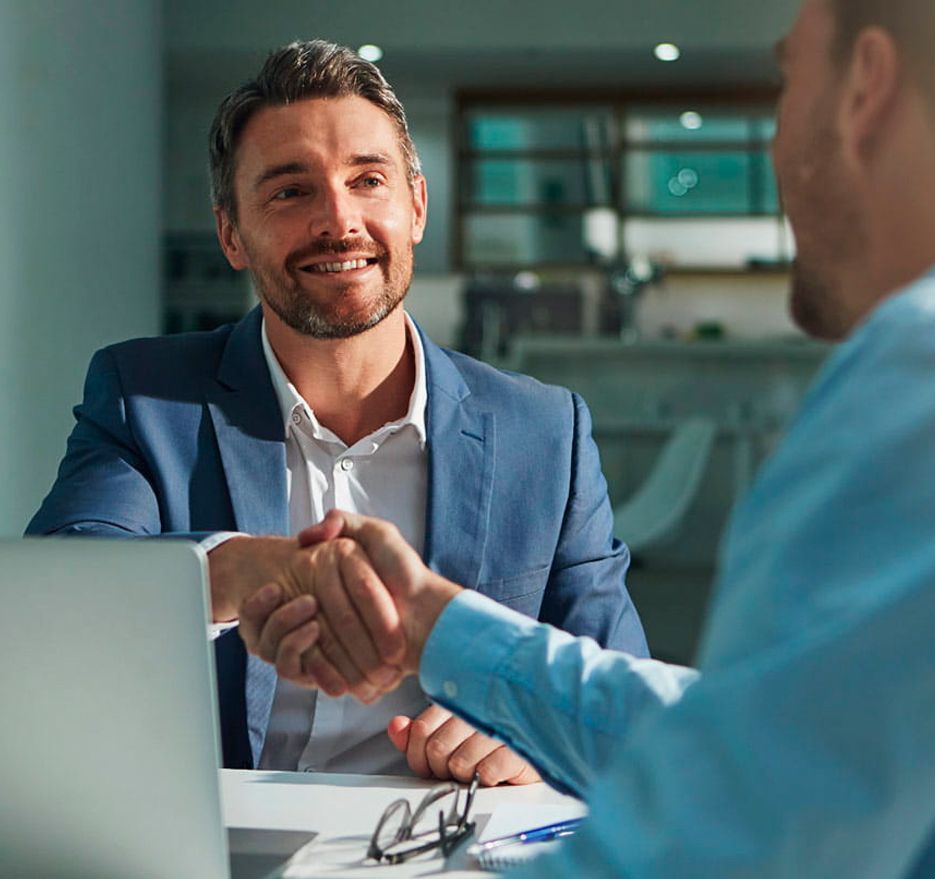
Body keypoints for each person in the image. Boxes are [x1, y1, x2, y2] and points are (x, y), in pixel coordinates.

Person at [240, 0, 935, 874]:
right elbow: (752, 737)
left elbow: (722, 831)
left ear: (863, 86)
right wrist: (433, 625)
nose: (768, 138)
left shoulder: (910, 379)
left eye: (787, 76)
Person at [25, 40, 647, 782]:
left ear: (415, 206)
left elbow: (621, 697)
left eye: (368, 180)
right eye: (291, 191)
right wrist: (239, 570)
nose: (339, 219)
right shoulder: (143, 397)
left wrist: (539, 739)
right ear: (231, 233)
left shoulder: (544, 433)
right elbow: (55, 598)